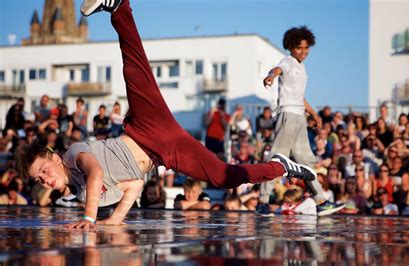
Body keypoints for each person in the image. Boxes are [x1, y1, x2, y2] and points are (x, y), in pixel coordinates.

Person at [15, 0, 316, 229]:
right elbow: (133, 185)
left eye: (43, 170)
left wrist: (91, 219)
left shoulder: (73, 156)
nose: (44, 180)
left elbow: (95, 172)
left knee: (135, 71)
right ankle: (281, 168)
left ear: (54, 157)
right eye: (38, 180)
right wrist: (114, 220)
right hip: (165, 154)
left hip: (147, 130)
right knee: (226, 178)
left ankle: (120, 8)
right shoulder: (82, 192)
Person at [258, 25, 344, 217]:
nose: (303, 52)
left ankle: (320, 200)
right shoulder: (288, 61)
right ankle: (262, 201)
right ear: (291, 47)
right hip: (287, 115)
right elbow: (277, 69)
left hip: (299, 117)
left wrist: (313, 114)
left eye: (306, 48)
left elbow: (300, 96)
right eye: (299, 48)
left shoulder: (302, 67)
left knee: (306, 161)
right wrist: (271, 76)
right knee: (277, 157)